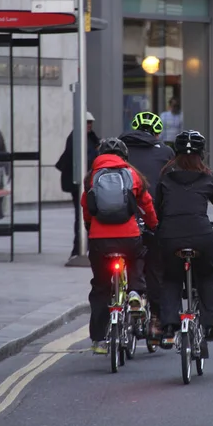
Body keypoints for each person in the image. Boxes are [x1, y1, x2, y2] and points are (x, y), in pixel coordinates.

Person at [155, 130, 213, 344]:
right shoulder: (208, 176)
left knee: (171, 278)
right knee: (208, 275)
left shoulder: (165, 175)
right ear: (202, 153)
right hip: (202, 236)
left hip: (170, 236)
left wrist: (158, 229)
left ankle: (169, 326)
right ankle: (209, 327)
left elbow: (156, 209)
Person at [81, 137, 158, 354]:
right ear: (125, 157)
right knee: (137, 257)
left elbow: (86, 207)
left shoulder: (92, 177)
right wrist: (153, 225)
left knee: (100, 288)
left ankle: (98, 340)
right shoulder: (133, 175)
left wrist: (90, 227)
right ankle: (135, 292)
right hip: (128, 236)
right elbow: (146, 204)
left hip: (99, 240)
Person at [120, 111, 174, 337]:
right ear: (157, 133)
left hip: (120, 218)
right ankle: (156, 321)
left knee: (130, 256)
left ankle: (130, 295)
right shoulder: (166, 152)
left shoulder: (120, 150)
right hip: (151, 217)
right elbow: (170, 188)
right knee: (155, 266)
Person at [55, 112, 100, 260]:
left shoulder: (91, 137)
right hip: (79, 185)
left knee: (87, 216)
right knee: (81, 217)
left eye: (90, 123)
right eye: (86, 122)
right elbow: (82, 159)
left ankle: (84, 247)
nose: (89, 125)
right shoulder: (76, 138)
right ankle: (78, 249)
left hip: (88, 184)